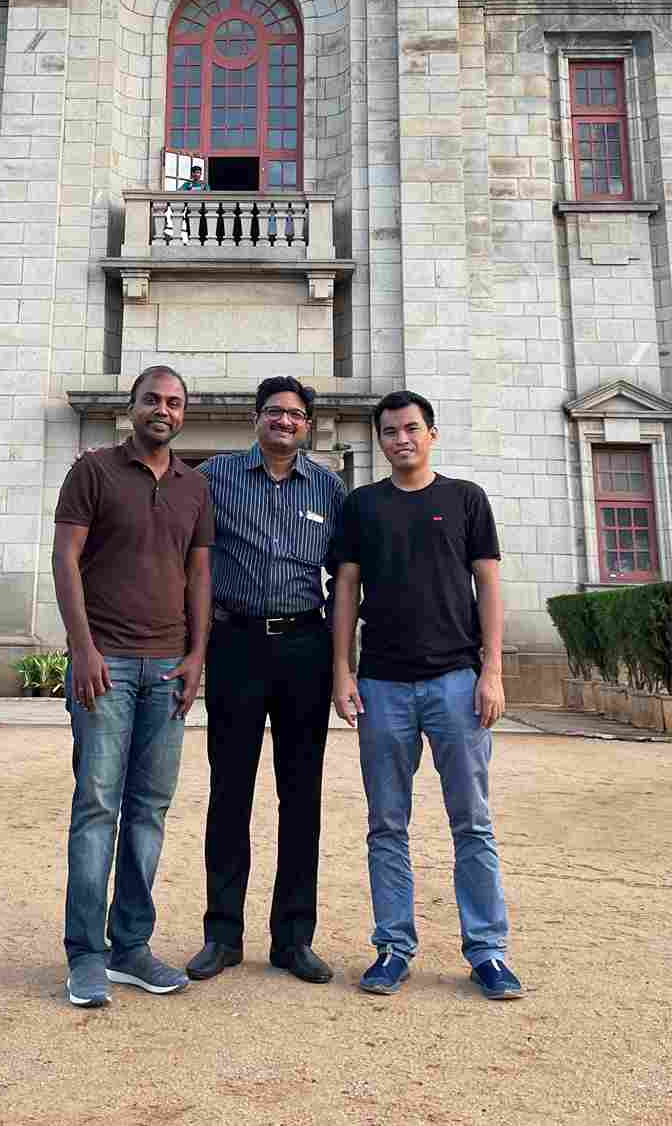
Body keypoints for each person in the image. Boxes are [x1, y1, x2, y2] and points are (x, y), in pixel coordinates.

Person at [330, 390, 521, 1001]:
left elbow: (487, 586)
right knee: (387, 824)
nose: (401, 439)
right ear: (379, 441)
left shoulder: (465, 500)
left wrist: (491, 671)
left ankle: (488, 952)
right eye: (389, 431)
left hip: (455, 684)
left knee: (473, 822)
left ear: (431, 433)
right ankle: (392, 947)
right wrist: (343, 668)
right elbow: (346, 592)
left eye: (411, 428)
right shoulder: (362, 506)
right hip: (383, 684)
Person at [52, 365, 214, 1009]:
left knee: (150, 810)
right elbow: (65, 560)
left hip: (169, 669)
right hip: (106, 666)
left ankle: (131, 946)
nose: (163, 410)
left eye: (175, 402)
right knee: (97, 807)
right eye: (153, 399)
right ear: (132, 406)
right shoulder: (92, 470)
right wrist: (83, 648)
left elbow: (199, 574)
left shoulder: (194, 487)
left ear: (184, 412)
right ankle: (85, 955)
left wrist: (198, 654)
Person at [186, 377, 346, 986]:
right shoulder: (216, 477)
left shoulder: (329, 488)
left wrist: (341, 663)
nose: (284, 422)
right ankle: (221, 935)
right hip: (236, 644)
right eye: (274, 412)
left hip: (305, 644)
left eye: (295, 415)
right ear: (256, 419)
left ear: (308, 425)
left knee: (300, 796)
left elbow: (346, 578)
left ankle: (293, 940)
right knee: (230, 791)